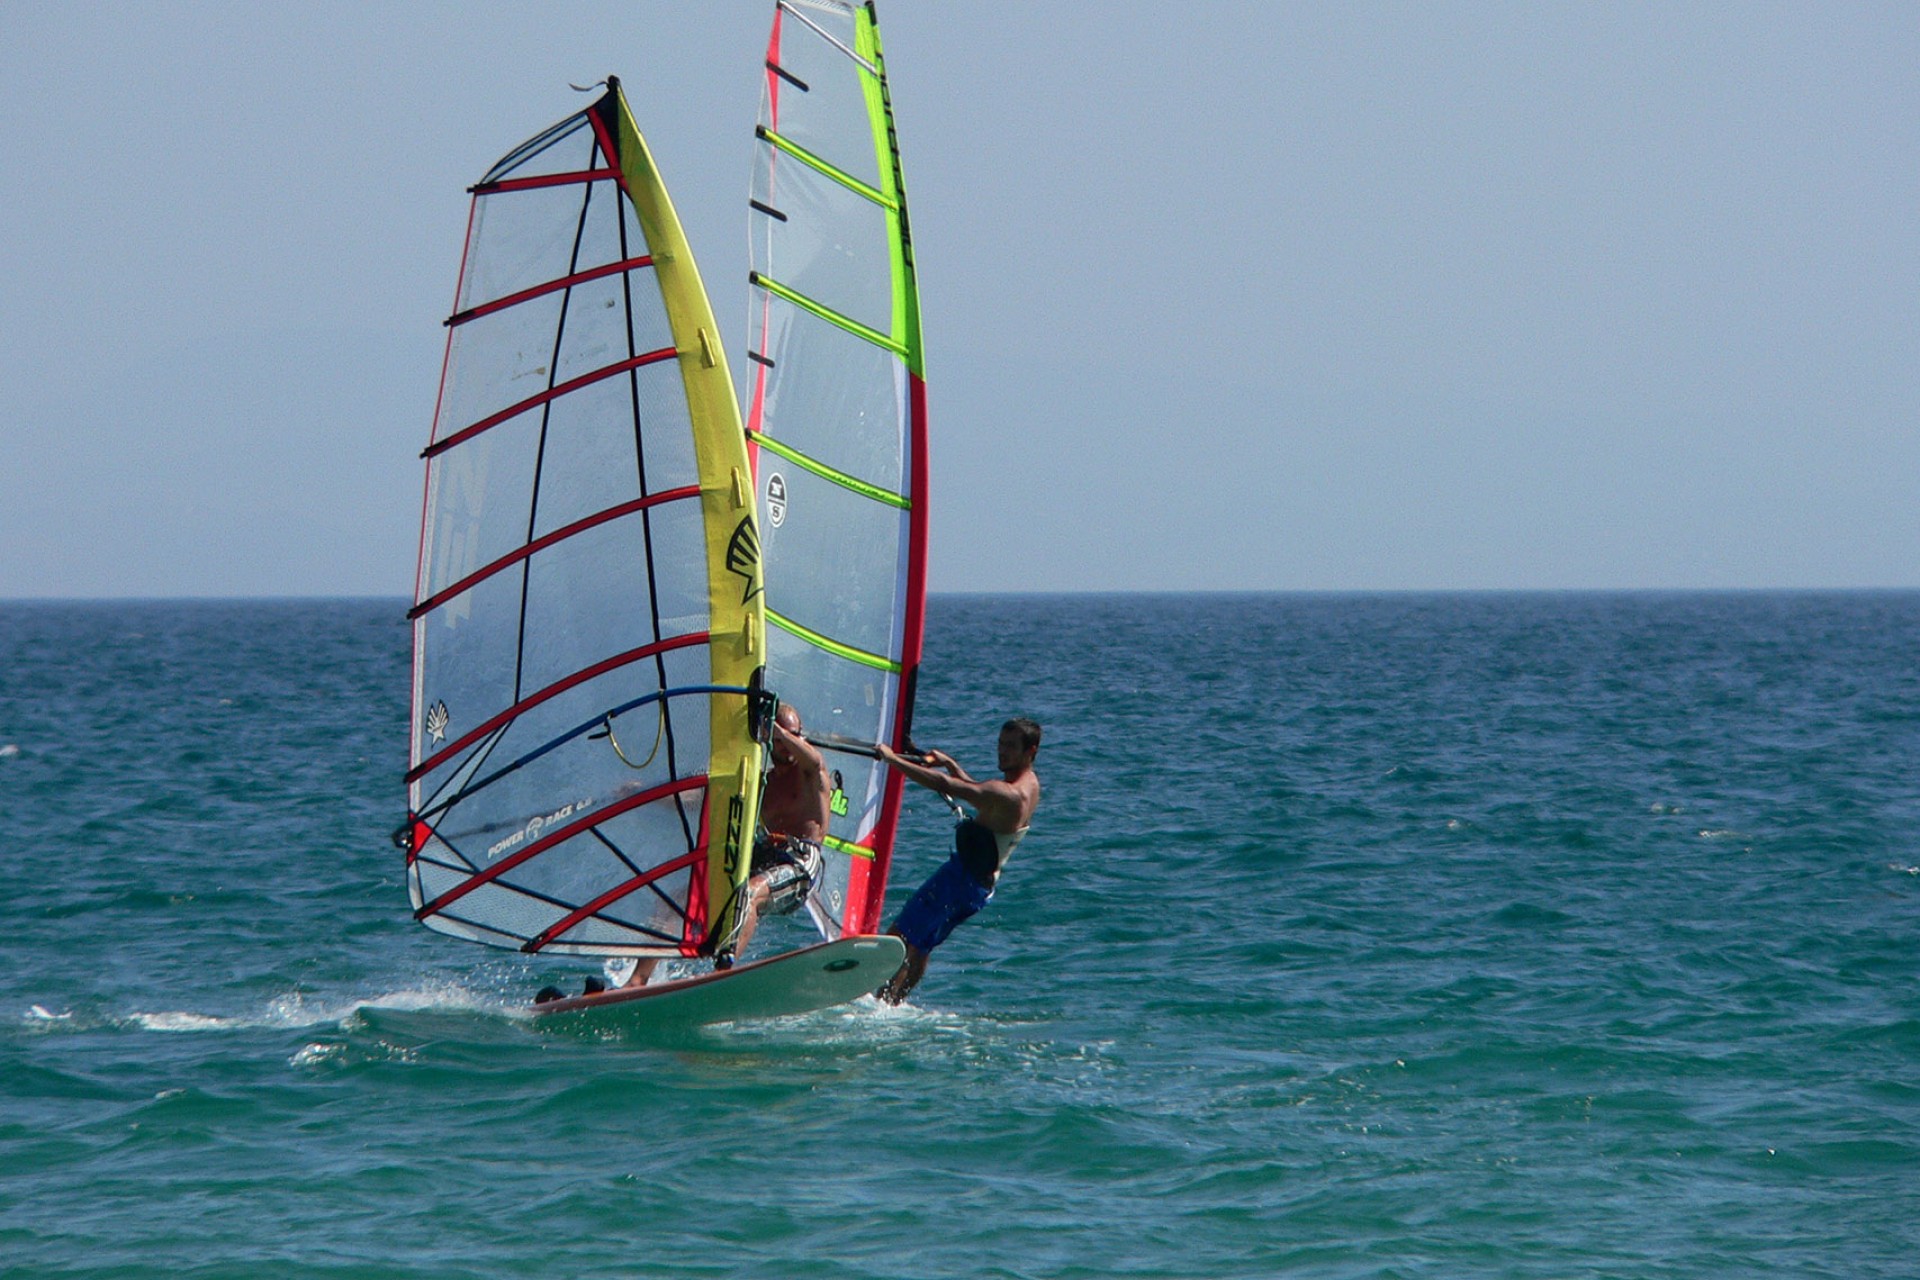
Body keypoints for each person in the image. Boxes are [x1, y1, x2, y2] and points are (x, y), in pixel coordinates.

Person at [615, 702, 830, 988]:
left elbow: (813, 761)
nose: (786, 745)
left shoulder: (811, 775)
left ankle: (721, 974)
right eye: (778, 740)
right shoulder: (760, 782)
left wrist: (781, 732)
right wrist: (643, 794)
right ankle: (637, 980)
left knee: (750, 893)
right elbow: (698, 799)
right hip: (764, 857)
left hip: (800, 862)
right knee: (676, 900)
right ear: (766, 741)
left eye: (792, 736)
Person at [875, 718, 1042, 1005]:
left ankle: (879, 1001)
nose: (1002, 751)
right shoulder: (1029, 785)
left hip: (959, 880)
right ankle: (893, 1003)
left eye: (1011, 747)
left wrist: (891, 759)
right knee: (922, 945)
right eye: (1001, 743)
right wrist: (950, 763)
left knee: (900, 936)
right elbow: (980, 794)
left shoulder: (1008, 793)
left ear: (1031, 751)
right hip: (979, 888)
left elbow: (945, 785)